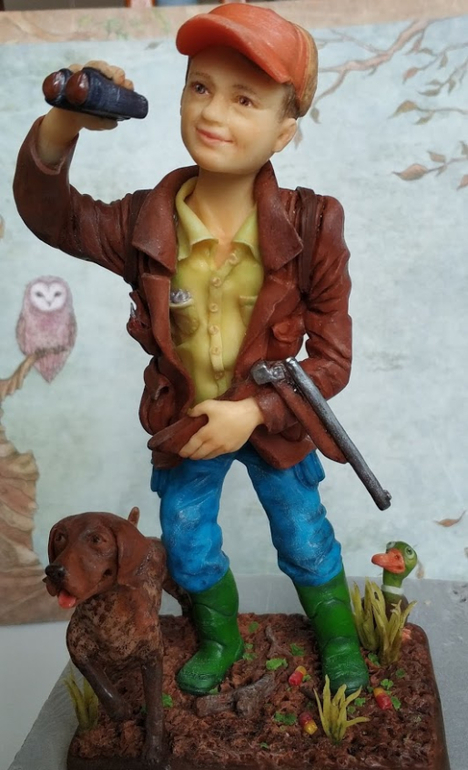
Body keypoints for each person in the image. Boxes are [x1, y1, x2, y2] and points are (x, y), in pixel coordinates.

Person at [14, 3, 369, 697]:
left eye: (245, 100)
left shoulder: (313, 223)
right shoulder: (144, 222)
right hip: (188, 425)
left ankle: (338, 638)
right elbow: (53, 216)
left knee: (304, 534)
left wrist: (256, 410)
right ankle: (219, 635)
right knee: (186, 538)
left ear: (285, 130)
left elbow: (332, 360)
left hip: (275, 425)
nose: (213, 113)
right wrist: (62, 124)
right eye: (200, 87)